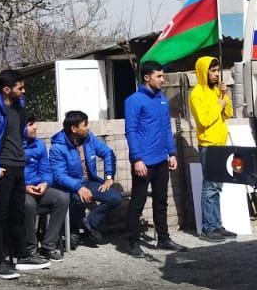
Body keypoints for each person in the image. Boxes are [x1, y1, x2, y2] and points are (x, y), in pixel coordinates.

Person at [0, 70, 48, 277]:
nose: (23, 90)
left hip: (19, 166)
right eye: (19, 88)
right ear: (6, 90)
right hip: (3, 168)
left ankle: (22, 255)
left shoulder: (20, 108)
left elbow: (18, 135)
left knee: (17, 214)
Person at [123, 61, 178, 254]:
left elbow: (167, 129)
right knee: (138, 202)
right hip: (144, 161)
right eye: (159, 76)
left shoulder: (162, 100)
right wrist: (137, 158)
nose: (163, 80)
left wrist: (172, 153)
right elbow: (130, 131)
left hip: (161, 159)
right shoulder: (133, 100)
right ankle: (132, 242)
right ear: (147, 78)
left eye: (163, 76)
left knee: (161, 200)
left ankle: (163, 239)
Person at [49, 110, 122, 245]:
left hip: (89, 182)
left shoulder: (90, 139)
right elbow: (59, 175)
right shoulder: (58, 148)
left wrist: (109, 177)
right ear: (74, 129)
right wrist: (78, 187)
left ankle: (88, 224)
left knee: (115, 198)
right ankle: (74, 230)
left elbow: (107, 153)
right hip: (69, 186)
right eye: (85, 124)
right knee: (78, 198)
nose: (88, 127)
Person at [188, 56, 235, 242]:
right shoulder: (196, 94)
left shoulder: (217, 91)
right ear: (203, 71)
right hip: (208, 145)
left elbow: (228, 113)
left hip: (221, 144)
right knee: (209, 188)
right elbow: (204, 120)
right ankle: (208, 228)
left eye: (217, 70)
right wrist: (219, 104)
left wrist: (225, 96)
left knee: (217, 187)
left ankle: (217, 225)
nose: (216, 74)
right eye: (213, 70)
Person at [21, 116, 71, 261]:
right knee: (28, 204)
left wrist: (45, 183)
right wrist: (24, 187)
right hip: (20, 190)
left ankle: (48, 245)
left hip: (38, 187)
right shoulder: (12, 146)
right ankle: (30, 249)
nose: (35, 127)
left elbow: (46, 170)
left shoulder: (39, 145)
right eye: (31, 124)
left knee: (62, 198)